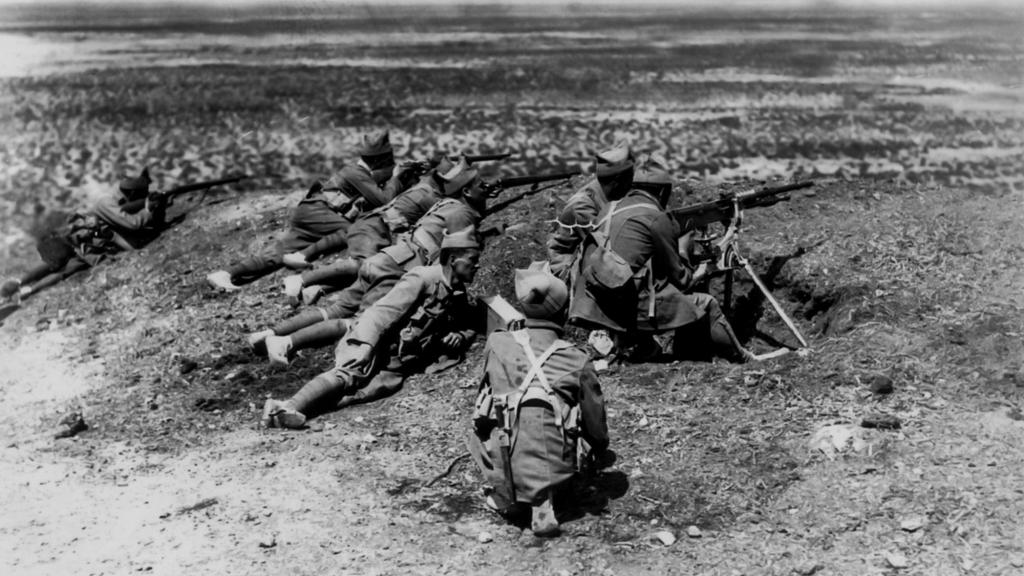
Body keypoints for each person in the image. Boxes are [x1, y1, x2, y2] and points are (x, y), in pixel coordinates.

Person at [250, 162, 489, 366]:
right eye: (482, 187)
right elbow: (455, 262)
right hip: (399, 269)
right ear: (466, 192)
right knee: (360, 324)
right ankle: (286, 343)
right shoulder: (463, 216)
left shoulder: (444, 205)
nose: (486, 190)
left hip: (386, 258)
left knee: (337, 310)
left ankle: (270, 333)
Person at [261, 226, 485, 429]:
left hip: (398, 360)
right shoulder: (423, 278)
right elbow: (382, 311)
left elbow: (465, 324)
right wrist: (366, 343)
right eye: (472, 260)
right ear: (454, 259)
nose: (477, 265)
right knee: (351, 373)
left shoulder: (457, 294)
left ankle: (282, 412)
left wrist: (458, 336)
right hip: (377, 342)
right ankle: (290, 405)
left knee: (369, 391)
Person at [568, 154, 756, 363]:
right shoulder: (656, 217)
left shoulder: (608, 208)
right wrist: (694, 257)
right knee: (706, 303)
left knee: (653, 287)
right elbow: (683, 281)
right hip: (622, 306)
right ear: (663, 190)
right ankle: (745, 359)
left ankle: (646, 347)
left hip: (593, 303)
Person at [468, 261, 609, 537]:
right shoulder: (576, 358)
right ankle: (547, 496)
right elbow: (596, 427)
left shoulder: (497, 344)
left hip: (504, 464)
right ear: (563, 312)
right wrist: (599, 449)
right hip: (559, 474)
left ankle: (508, 489)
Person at [205, 129, 414, 291]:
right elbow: (384, 199)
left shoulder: (357, 171)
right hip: (321, 212)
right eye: (388, 159)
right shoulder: (355, 173)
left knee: (277, 253)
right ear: (378, 160)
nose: (391, 162)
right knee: (356, 229)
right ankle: (303, 256)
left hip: (312, 212)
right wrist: (397, 176)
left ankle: (226, 273)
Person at [279, 155, 461, 307]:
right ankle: (301, 279)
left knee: (374, 272)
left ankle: (318, 287)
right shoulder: (428, 194)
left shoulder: (422, 189)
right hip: (373, 228)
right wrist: (397, 176)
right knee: (364, 265)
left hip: (376, 229)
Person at [2, 168, 167, 303]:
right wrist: (147, 210)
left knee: (62, 269)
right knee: (58, 266)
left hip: (86, 240)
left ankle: (25, 290)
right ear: (132, 194)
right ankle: (18, 287)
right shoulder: (106, 202)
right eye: (142, 192)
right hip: (84, 239)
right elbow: (133, 224)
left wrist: (159, 208)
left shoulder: (112, 200)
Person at [546, 143, 635, 282]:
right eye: (630, 178)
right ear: (618, 182)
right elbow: (610, 247)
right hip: (568, 264)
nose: (633, 182)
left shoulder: (610, 189)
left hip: (592, 252)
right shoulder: (582, 207)